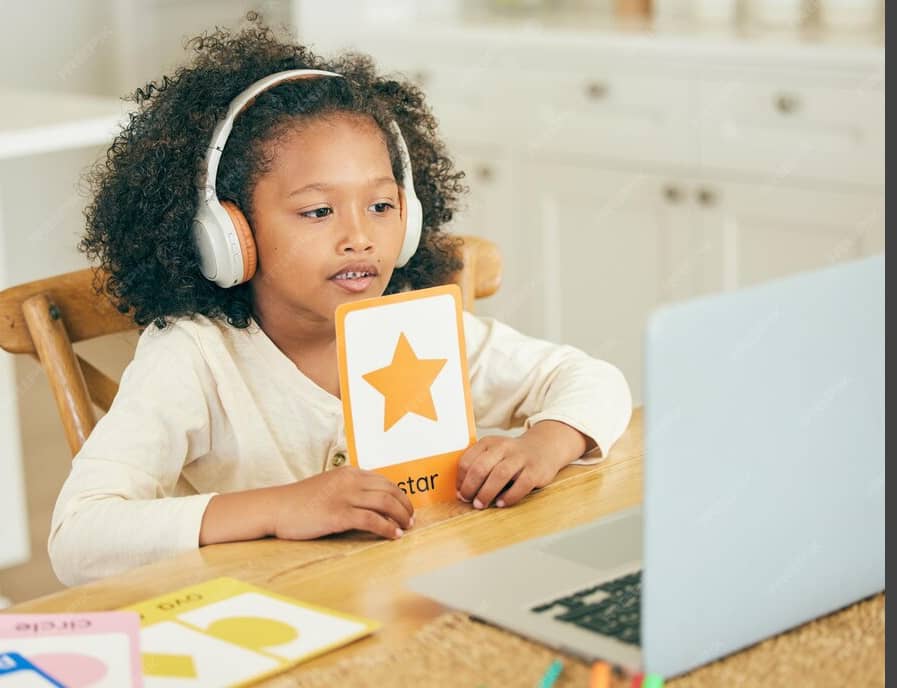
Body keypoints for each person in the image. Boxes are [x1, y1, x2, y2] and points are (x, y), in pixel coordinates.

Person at [49, 16, 632, 586]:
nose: (360, 236)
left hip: (417, 605)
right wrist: (279, 507)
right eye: (318, 211)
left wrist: (544, 443)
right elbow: (79, 537)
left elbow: (592, 380)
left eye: (381, 206)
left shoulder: (418, 332)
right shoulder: (195, 358)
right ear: (229, 236)